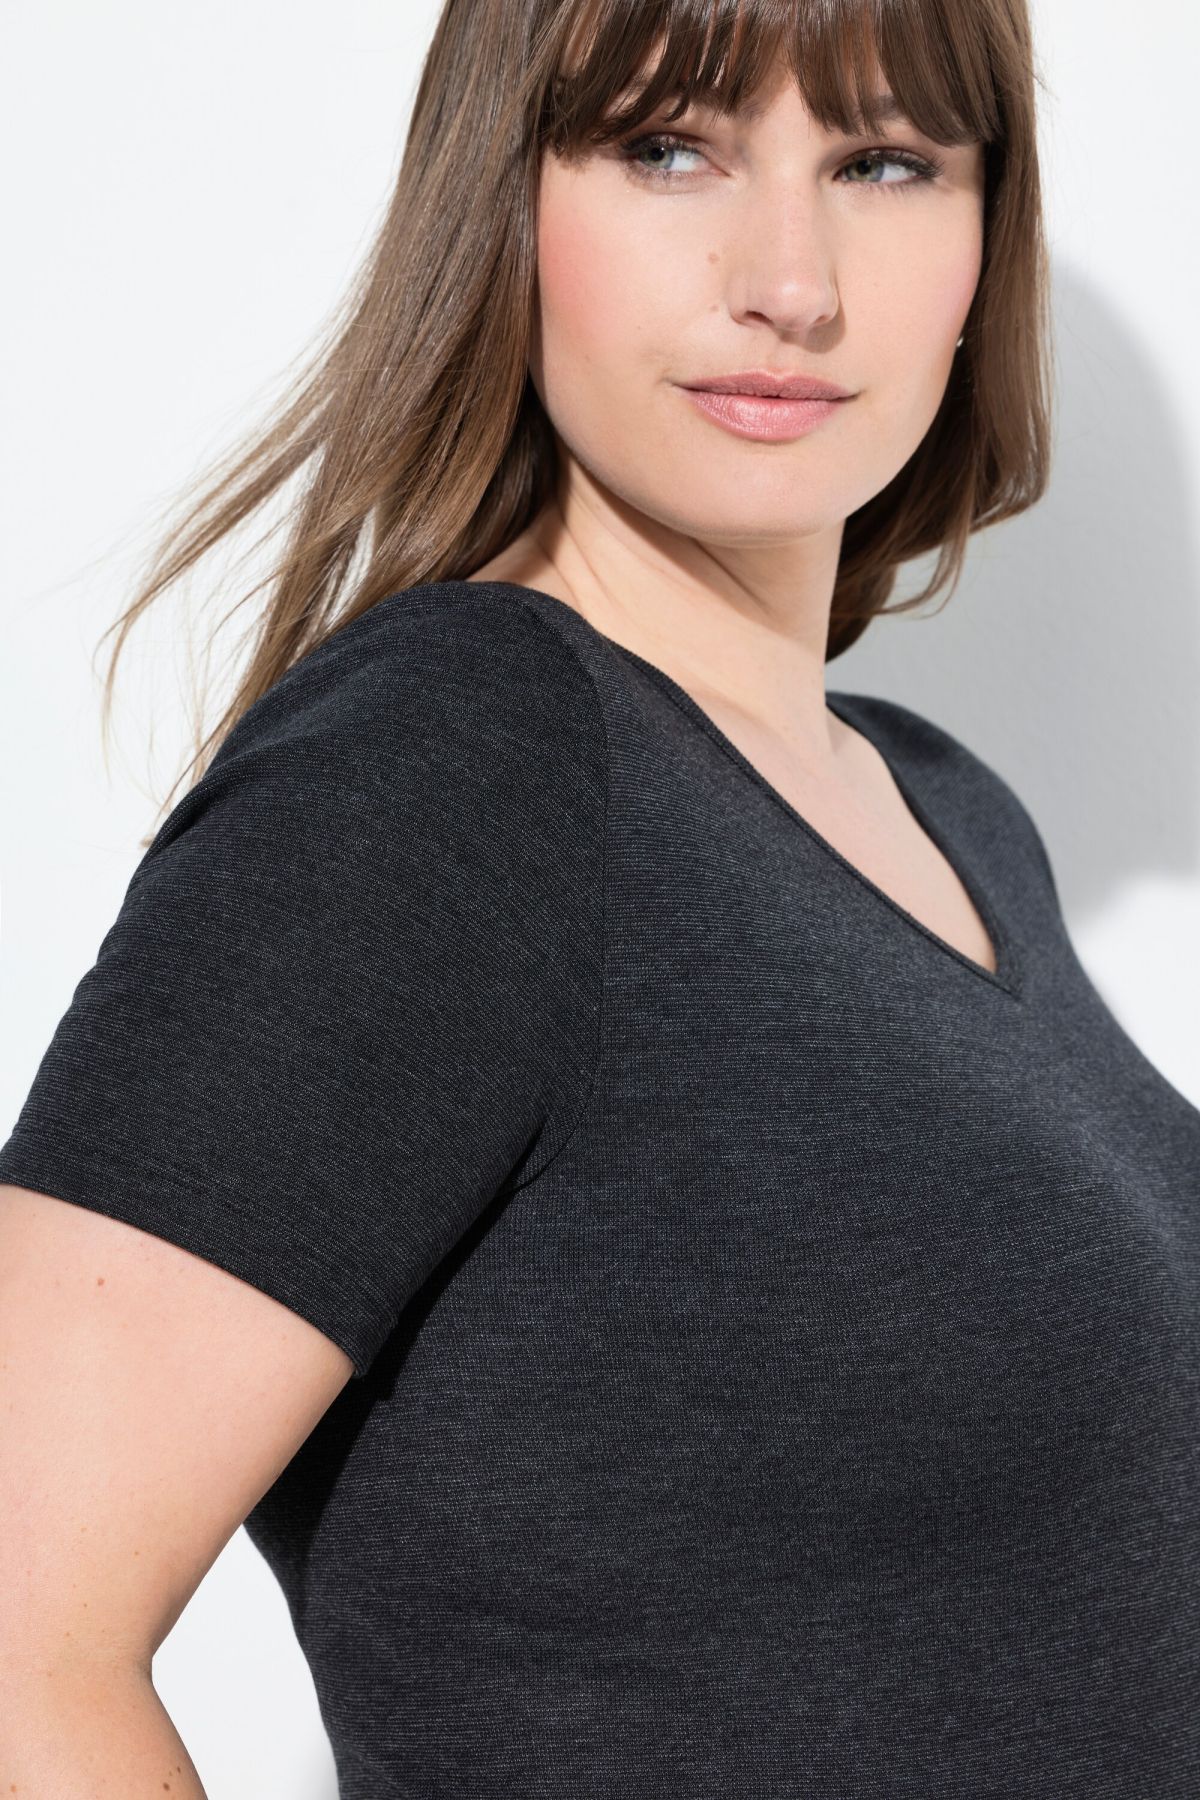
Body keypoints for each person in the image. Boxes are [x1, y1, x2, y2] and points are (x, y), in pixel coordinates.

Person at [2, 2, 1196, 1796]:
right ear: (502, 200)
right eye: (667, 148)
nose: (790, 284)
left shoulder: (947, 809)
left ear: (983, 240)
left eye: (885, 164)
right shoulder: (458, 758)